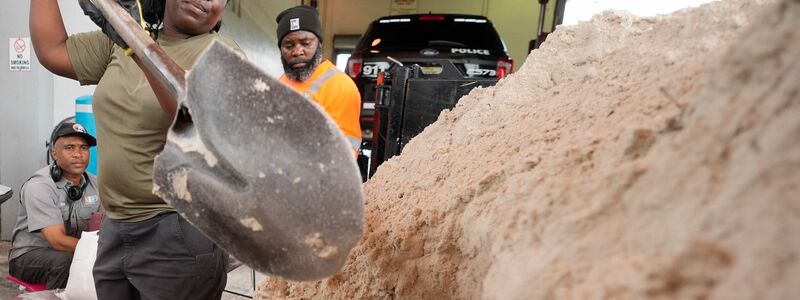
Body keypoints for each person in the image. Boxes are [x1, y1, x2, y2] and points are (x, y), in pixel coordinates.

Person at [30, 0, 240, 298]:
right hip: (116, 227)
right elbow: (52, 50)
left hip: (179, 234)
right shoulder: (120, 42)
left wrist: (138, 47)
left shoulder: (222, 53)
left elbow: (196, 116)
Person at [8, 122, 102, 289]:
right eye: (69, 148)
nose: (78, 154)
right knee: (65, 261)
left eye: (84, 148)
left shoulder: (96, 184)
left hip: (76, 251)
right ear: (55, 154)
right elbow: (58, 241)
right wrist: (99, 250)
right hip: (29, 256)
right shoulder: (40, 186)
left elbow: (108, 226)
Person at [275, 5, 363, 152]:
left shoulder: (340, 86)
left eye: (306, 43)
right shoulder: (280, 83)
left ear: (319, 44)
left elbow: (346, 151)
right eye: (288, 45)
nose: (297, 51)